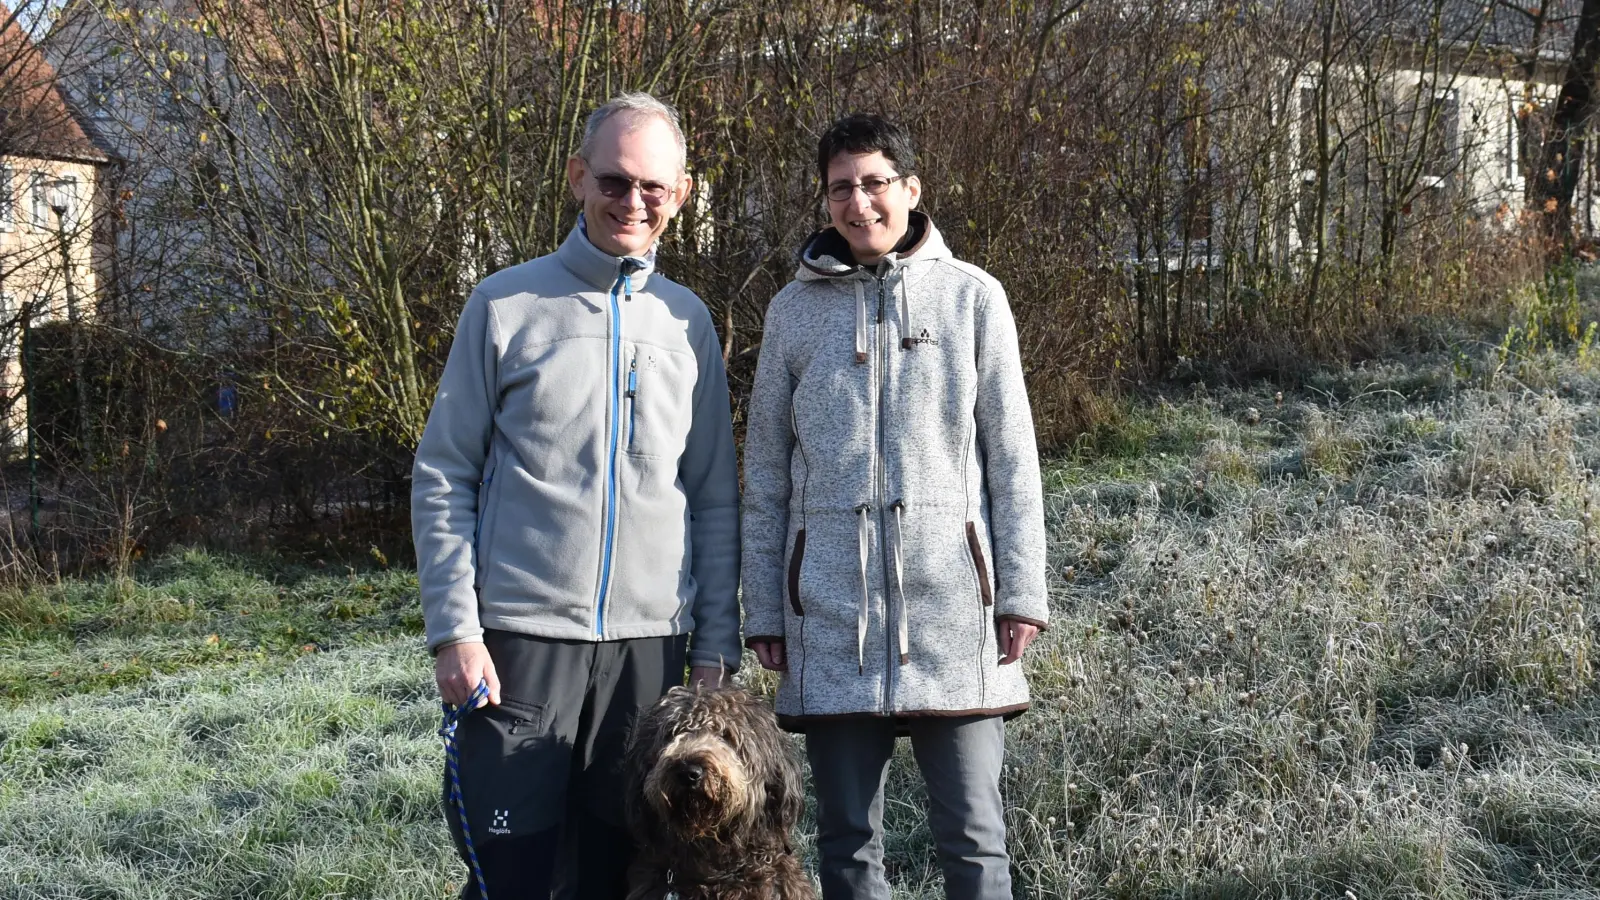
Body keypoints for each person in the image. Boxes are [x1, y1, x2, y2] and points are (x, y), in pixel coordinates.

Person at [412, 92, 740, 900]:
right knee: (511, 875)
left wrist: (713, 653)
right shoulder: (504, 305)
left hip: (651, 656)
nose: (633, 202)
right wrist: (456, 632)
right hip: (519, 647)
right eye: (613, 180)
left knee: (619, 876)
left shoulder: (689, 323)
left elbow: (713, 499)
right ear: (576, 177)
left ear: (681, 194)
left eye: (653, 187)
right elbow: (444, 474)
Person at [741, 113, 1047, 900]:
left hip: (957, 610)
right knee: (847, 843)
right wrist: (766, 608)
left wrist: (1021, 592)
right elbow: (766, 471)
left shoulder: (974, 299)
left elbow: (1013, 459)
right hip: (830, 617)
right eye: (840, 187)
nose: (859, 202)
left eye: (874, 183)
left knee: (974, 838)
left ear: (910, 188)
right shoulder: (790, 313)